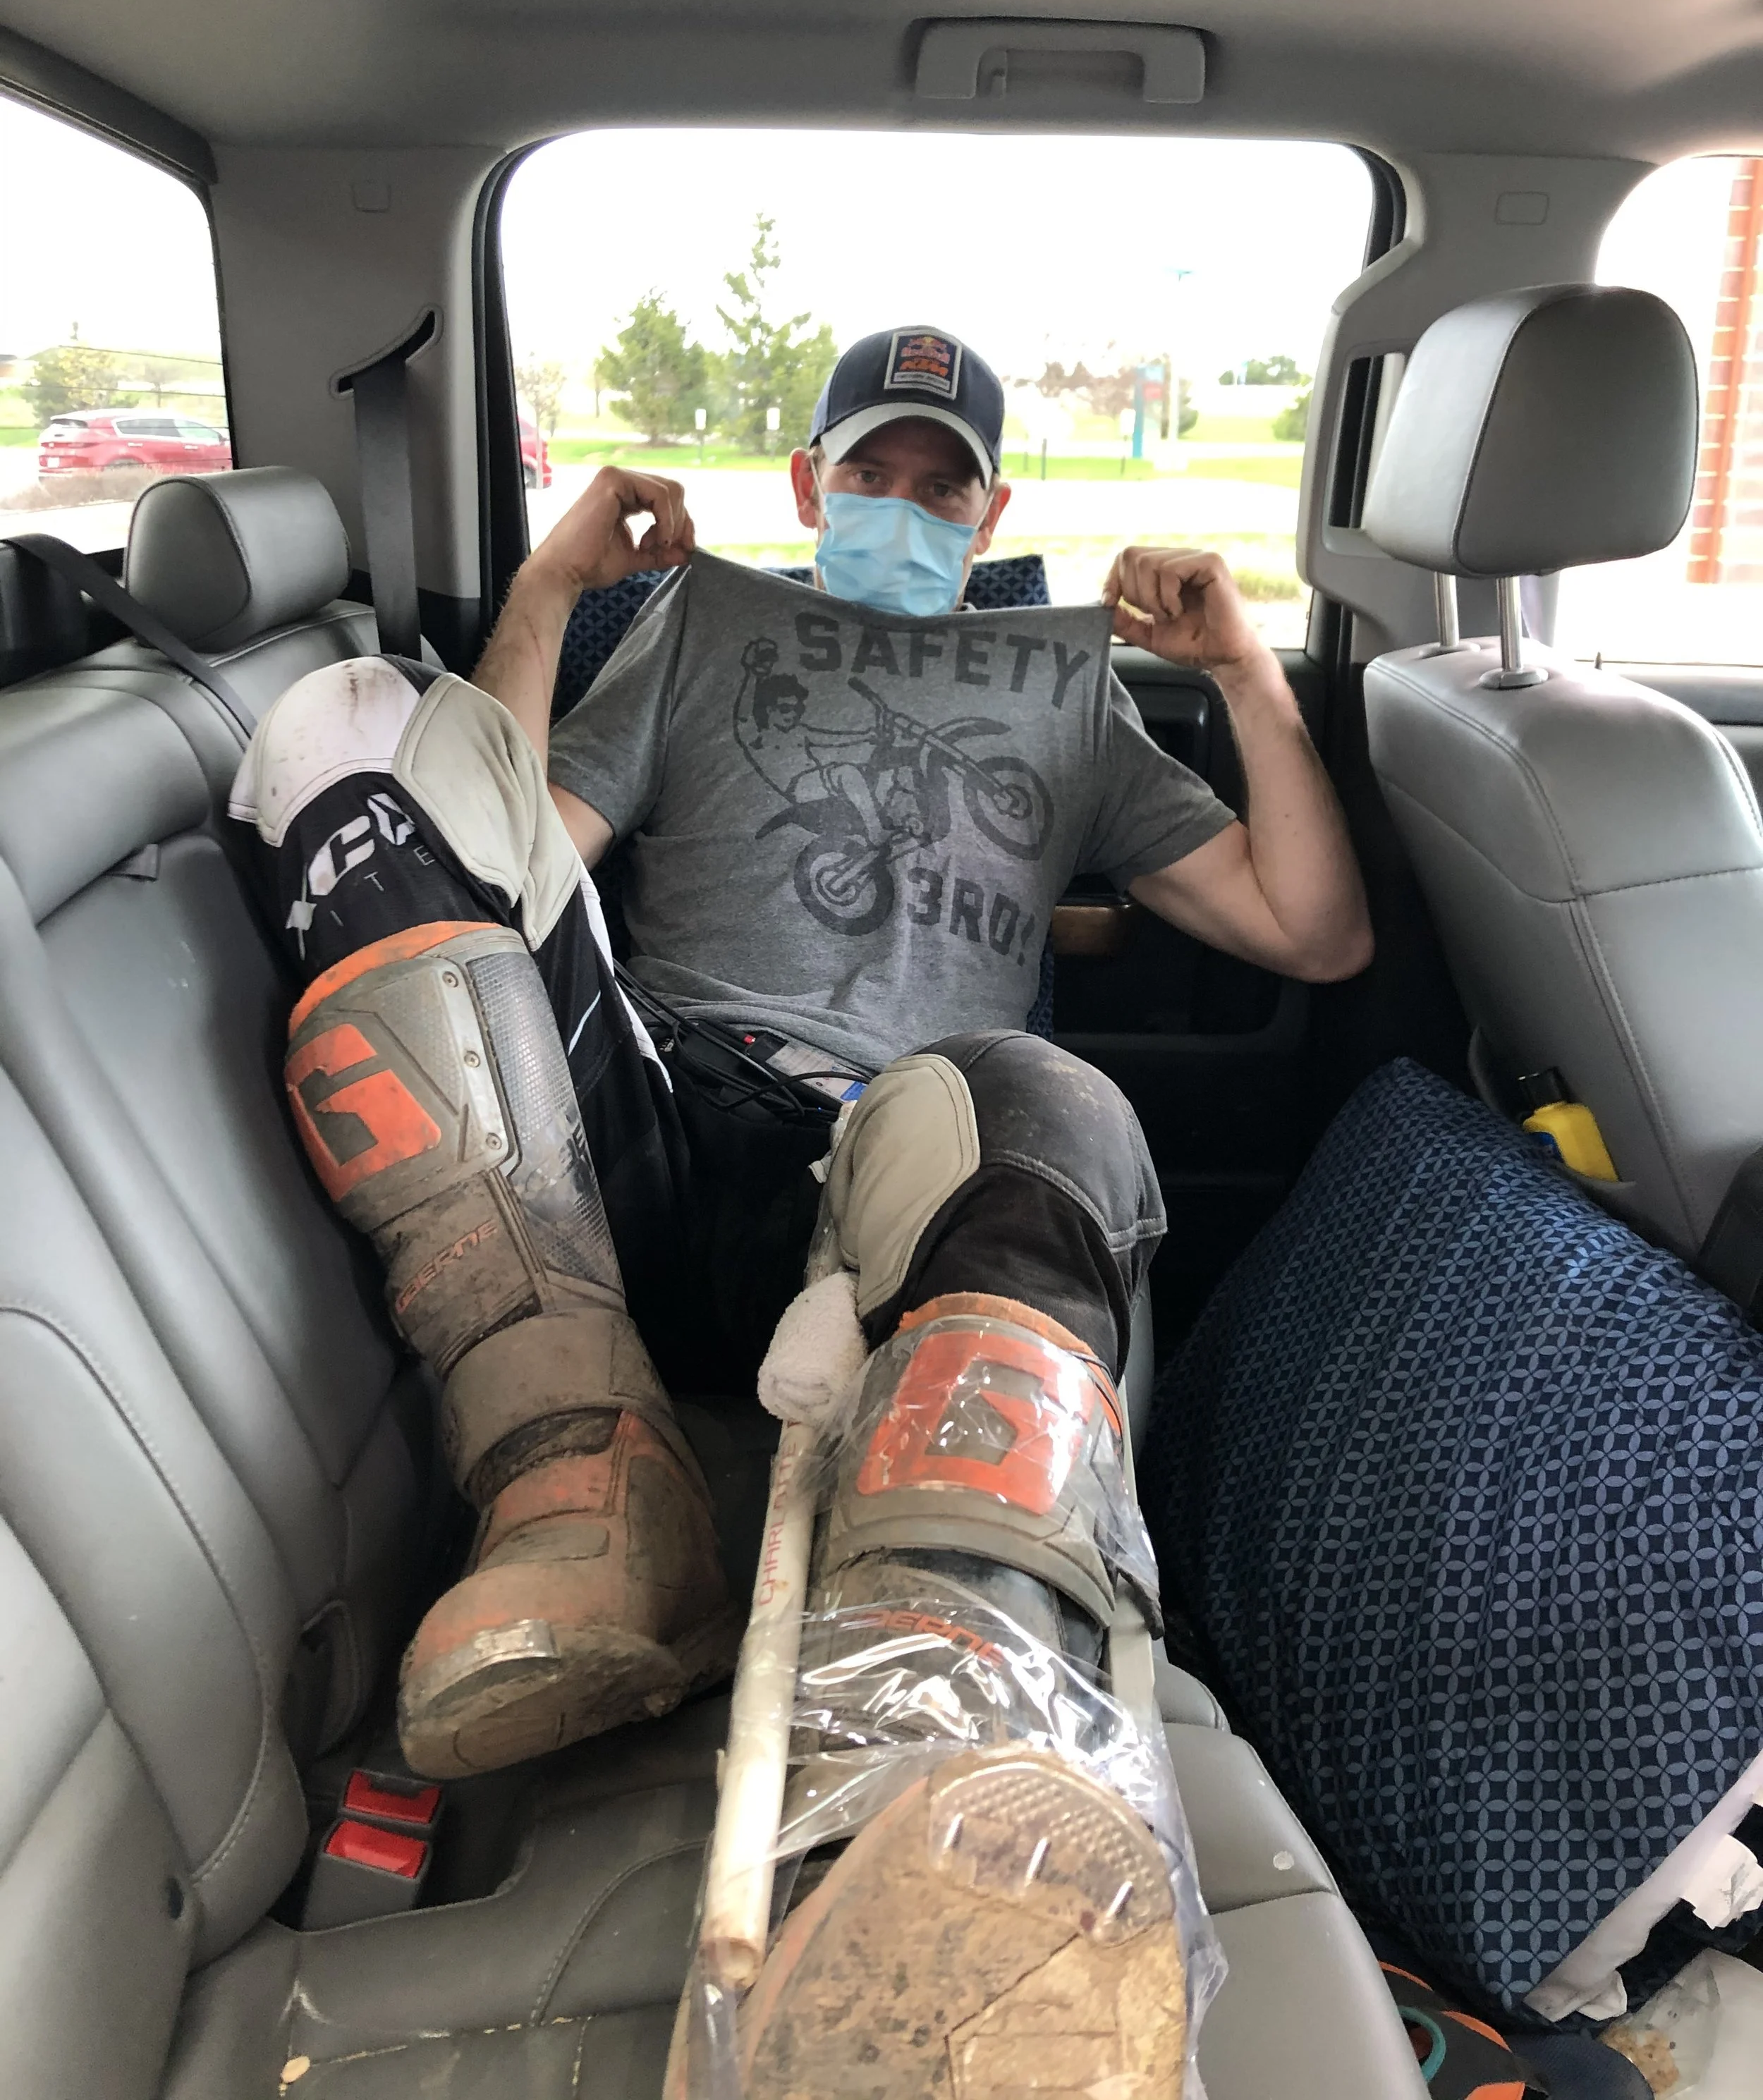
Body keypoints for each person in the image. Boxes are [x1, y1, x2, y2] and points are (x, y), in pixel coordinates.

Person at [233, 325, 1369, 2085]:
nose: (900, 506)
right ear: (806, 483)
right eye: (868, 473)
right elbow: (498, 860)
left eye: (939, 487)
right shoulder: (699, 628)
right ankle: (589, 1483)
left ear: (991, 512)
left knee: (1059, 1102)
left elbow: (1314, 931)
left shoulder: (1062, 697)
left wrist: (1239, 672)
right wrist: (548, 587)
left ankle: (947, 1731)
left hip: (896, 1177)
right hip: (630, 1138)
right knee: (354, 749)